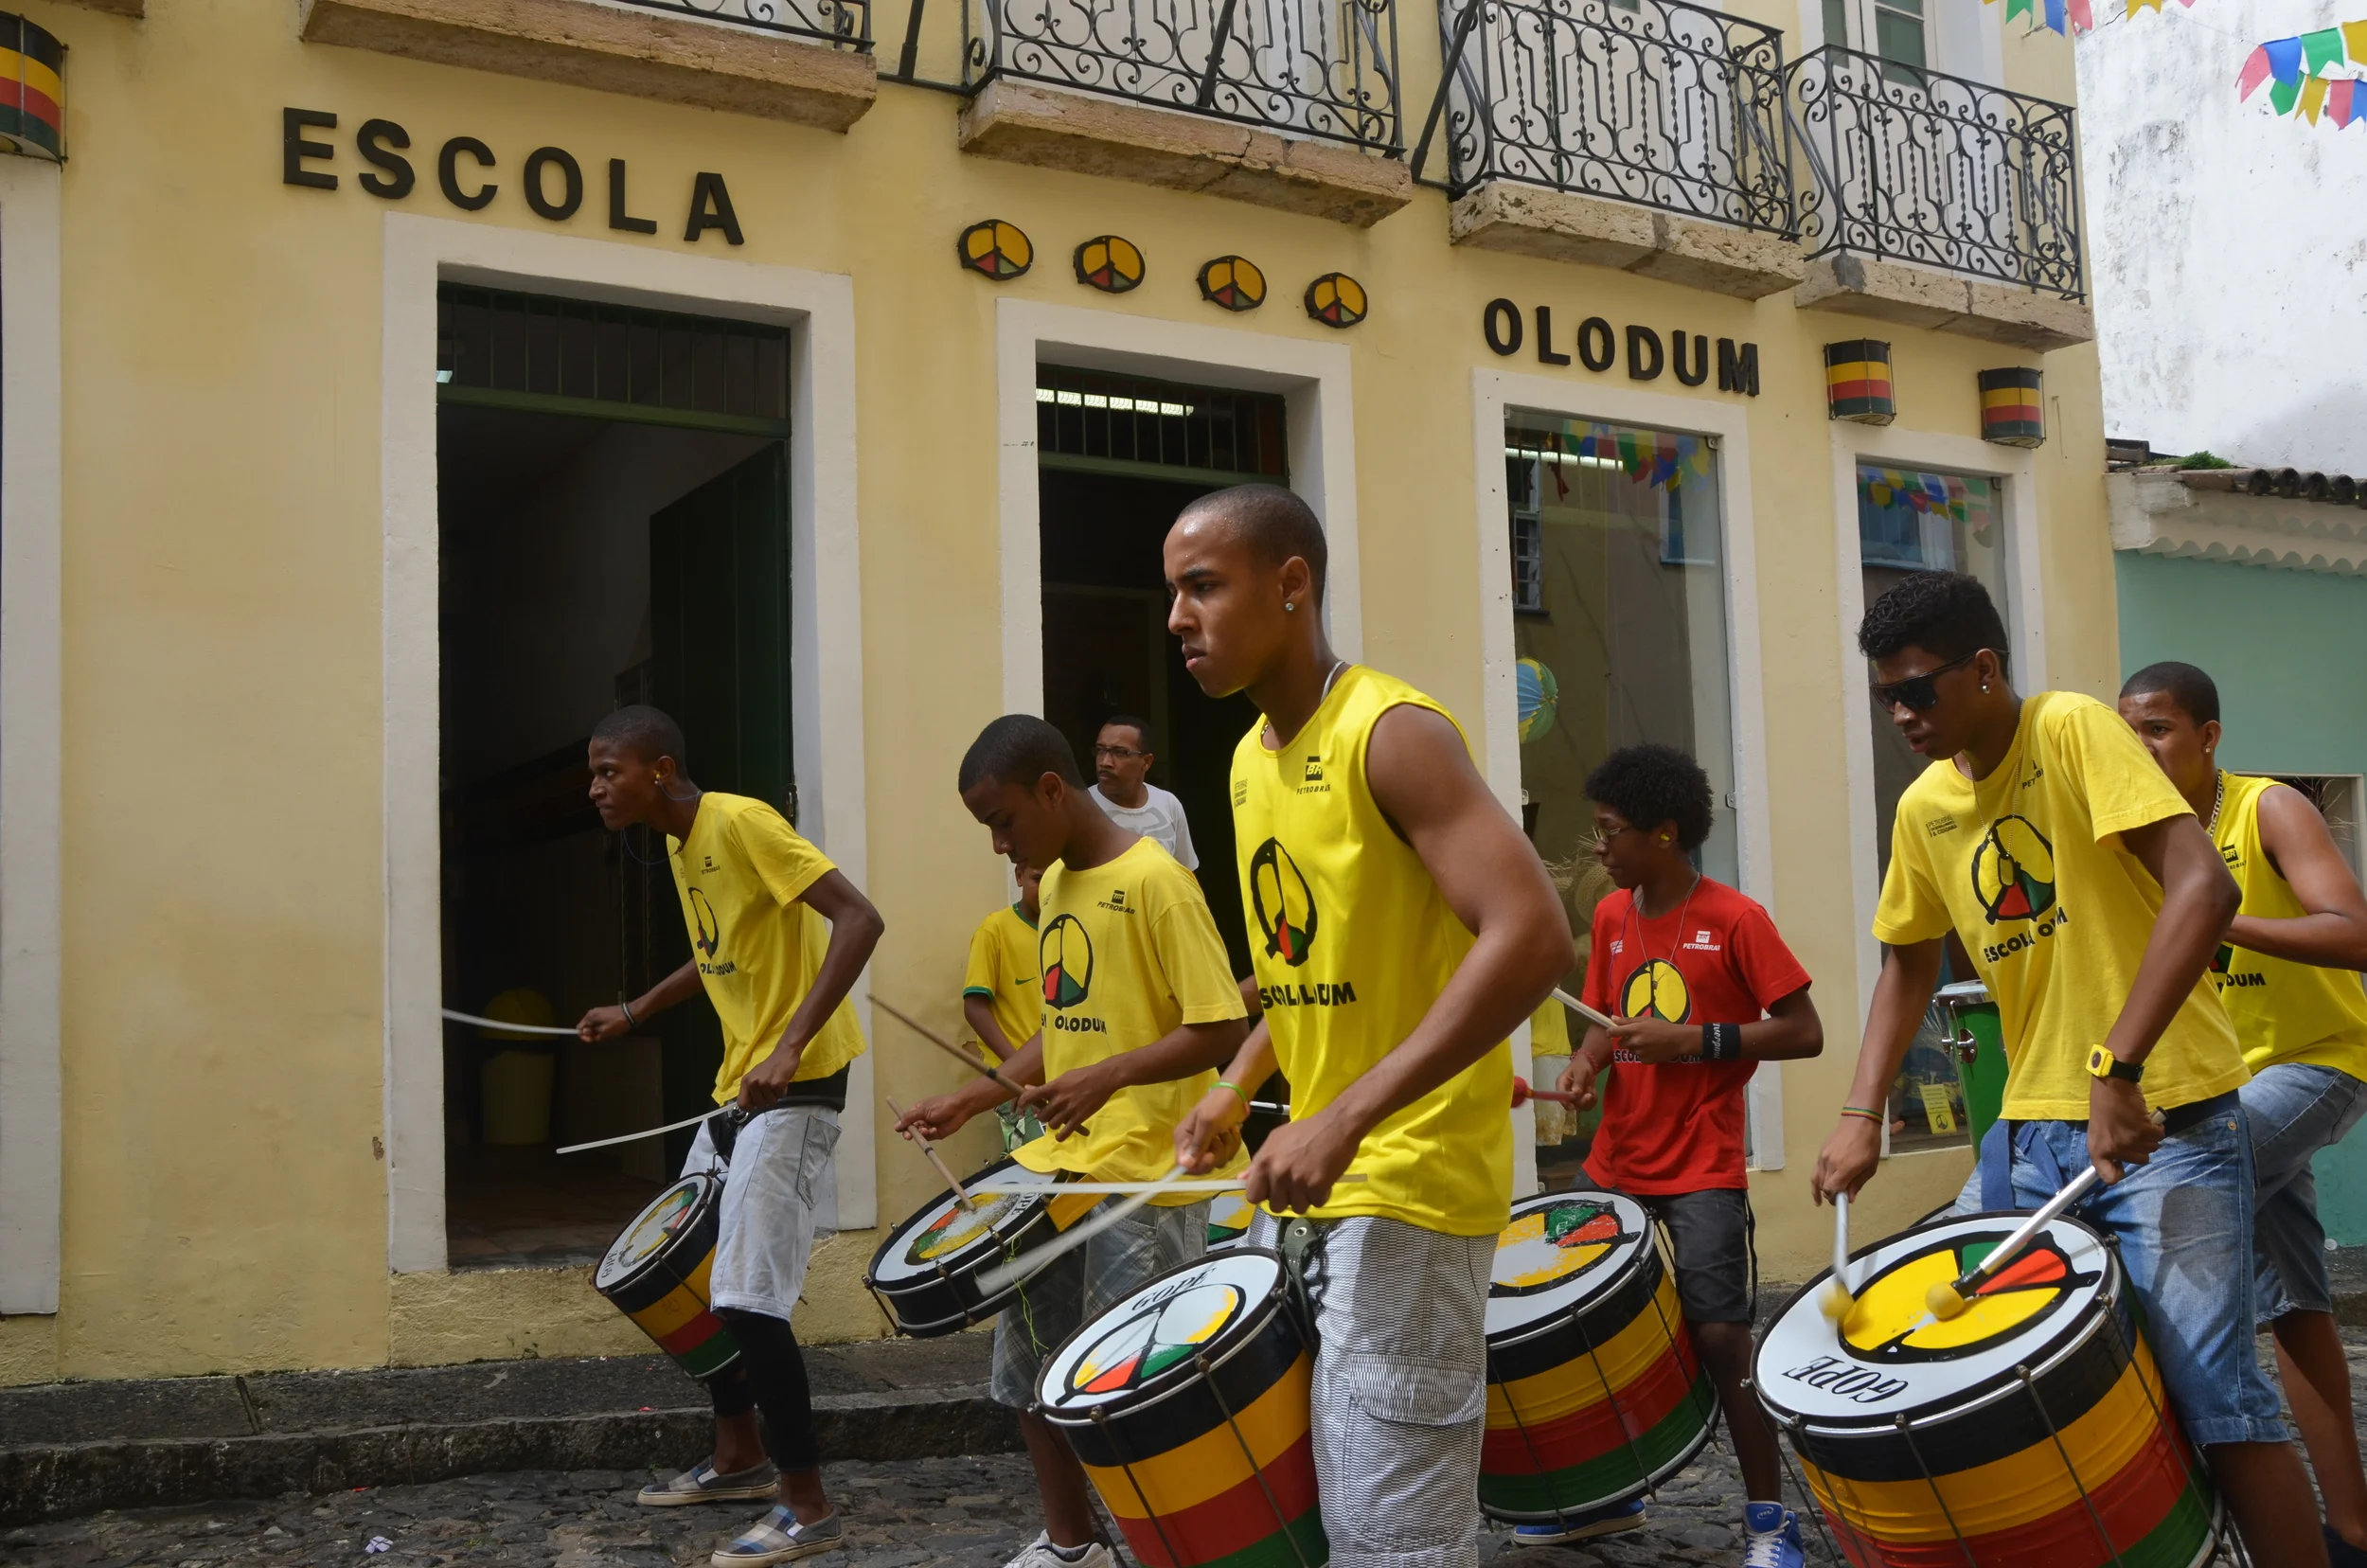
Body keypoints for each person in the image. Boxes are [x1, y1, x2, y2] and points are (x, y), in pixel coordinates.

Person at [1810, 573, 2324, 1568]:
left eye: (1918, 689)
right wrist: (1858, 1110)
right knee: (1995, 1379)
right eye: (1886, 698)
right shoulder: (1924, 807)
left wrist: (2118, 1067)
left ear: (1986, 669)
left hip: (2163, 1119)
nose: (1902, 715)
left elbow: (2203, 888)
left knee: (2215, 1395)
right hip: (2028, 1133)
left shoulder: (2071, 730)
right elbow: (1907, 962)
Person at [1161, 483, 1574, 1568]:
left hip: (1414, 1181)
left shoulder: (1391, 733)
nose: (1177, 619)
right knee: (1318, 1507)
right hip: (1318, 1174)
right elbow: (1306, 969)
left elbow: (1533, 938)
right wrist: (1237, 1083)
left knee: (1396, 1540)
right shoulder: (1249, 759)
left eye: (1202, 586)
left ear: (1290, 584)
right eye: (1174, 593)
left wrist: (1341, 1117)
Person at [897, 715, 1249, 1568]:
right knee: (1030, 1377)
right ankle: (1070, 1545)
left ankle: (1169, 1551)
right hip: (1057, 1171)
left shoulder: (1157, 881)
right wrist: (975, 1095)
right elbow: (1064, 1026)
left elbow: (1220, 1025)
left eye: (1004, 822)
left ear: (1053, 791)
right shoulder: (1053, 887)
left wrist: (1111, 1076)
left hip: (1150, 1175)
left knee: (1130, 1388)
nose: (998, 845)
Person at [575, 704, 884, 1568]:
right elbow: (718, 956)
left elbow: (860, 919)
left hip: (799, 1085)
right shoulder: (680, 844)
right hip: (737, 1087)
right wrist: (635, 1009)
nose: (597, 787)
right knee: (682, 1276)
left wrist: (788, 1047)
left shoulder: (742, 821)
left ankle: (807, 1505)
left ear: (661, 771)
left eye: (609, 771)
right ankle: (739, 1455)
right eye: (594, 773)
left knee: (749, 1297)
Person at [2121, 660, 2367, 1567]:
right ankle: (2349, 1531)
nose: (2142, 750)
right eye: (2130, 734)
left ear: (2208, 737)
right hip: (2219, 1084)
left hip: (2322, 1063)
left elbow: (2355, 931)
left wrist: (2214, 917)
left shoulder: (2269, 808)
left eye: (2160, 730)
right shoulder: (2141, 836)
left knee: (2158, 1219)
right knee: (2297, 1307)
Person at [1550, 744, 1822, 1561]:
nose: (1599, 846)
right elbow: (1604, 1020)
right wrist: (1584, 1064)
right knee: (1582, 1330)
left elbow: (1804, 1032)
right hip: (1616, 1160)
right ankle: (1606, 1500)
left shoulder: (1735, 919)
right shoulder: (1610, 915)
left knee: (1718, 1337)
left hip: (1701, 1162)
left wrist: (1693, 1040)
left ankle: (1772, 1523)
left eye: (1611, 831)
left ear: (1663, 834)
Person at [962, 863, 1047, 1151]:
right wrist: (1019, 1071)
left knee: (1072, 1184)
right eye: (1038, 878)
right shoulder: (994, 930)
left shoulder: (1070, 929)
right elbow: (974, 1008)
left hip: (1065, 1083)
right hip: (1016, 1088)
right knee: (1039, 1175)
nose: (1047, 887)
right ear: (1020, 876)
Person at [1088, 714, 1199, 869]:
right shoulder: (1081, 806)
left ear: (1146, 762)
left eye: (1120, 752)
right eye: (1100, 750)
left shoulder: (1168, 803)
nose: (1105, 762)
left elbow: (1185, 872)